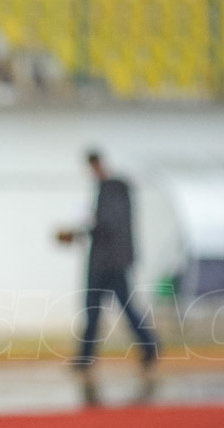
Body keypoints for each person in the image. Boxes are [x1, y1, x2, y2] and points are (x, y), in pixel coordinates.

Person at [57, 150, 159, 373]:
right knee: (113, 307)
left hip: (109, 262)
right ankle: (147, 346)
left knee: (101, 307)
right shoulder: (111, 189)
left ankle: (147, 346)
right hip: (111, 260)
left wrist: (83, 229)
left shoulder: (113, 189)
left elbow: (108, 225)